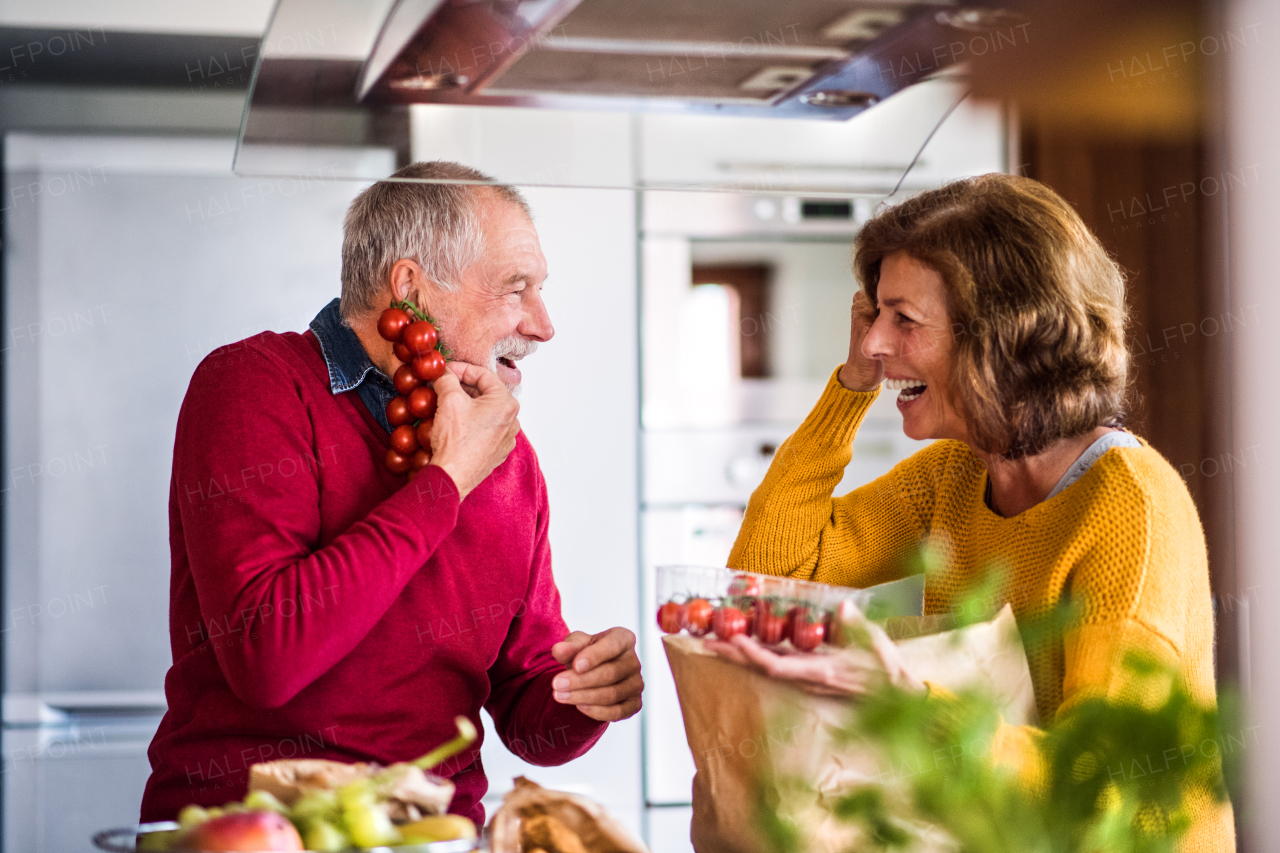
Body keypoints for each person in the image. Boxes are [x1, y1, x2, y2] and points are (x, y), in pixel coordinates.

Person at [709, 174, 1232, 850]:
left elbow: (1099, 785)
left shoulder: (1129, 508)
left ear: (1002, 336)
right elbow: (770, 575)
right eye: (874, 315)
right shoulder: (954, 475)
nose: (872, 343)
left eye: (904, 319)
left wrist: (909, 706)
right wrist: (849, 389)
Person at [141, 161, 643, 826]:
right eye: (515, 288)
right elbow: (268, 658)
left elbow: (525, 712)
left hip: (431, 835)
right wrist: (446, 482)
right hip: (246, 833)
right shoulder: (252, 386)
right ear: (408, 288)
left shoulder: (508, 460)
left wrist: (583, 695)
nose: (544, 325)